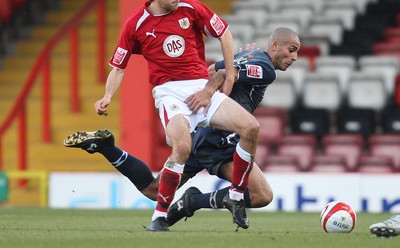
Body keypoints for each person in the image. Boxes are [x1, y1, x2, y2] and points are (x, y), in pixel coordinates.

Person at [65, 27, 301, 229]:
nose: (295, 57)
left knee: (154, 190)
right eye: (292, 50)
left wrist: (231, 71)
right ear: (275, 45)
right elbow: (222, 73)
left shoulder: (252, 56)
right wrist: (209, 92)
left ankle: (107, 148)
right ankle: (194, 202)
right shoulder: (266, 69)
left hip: (202, 134)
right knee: (261, 196)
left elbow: (211, 70)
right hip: (220, 138)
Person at [93, 0, 261, 231]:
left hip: (200, 87)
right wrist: (107, 96)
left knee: (251, 128)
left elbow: (224, 33)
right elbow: (119, 67)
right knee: (182, 147)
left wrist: (229, 74)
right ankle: (159, 217)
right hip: (169, 92)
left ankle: (236, 196)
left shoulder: (191, 9)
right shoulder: (136, 23)